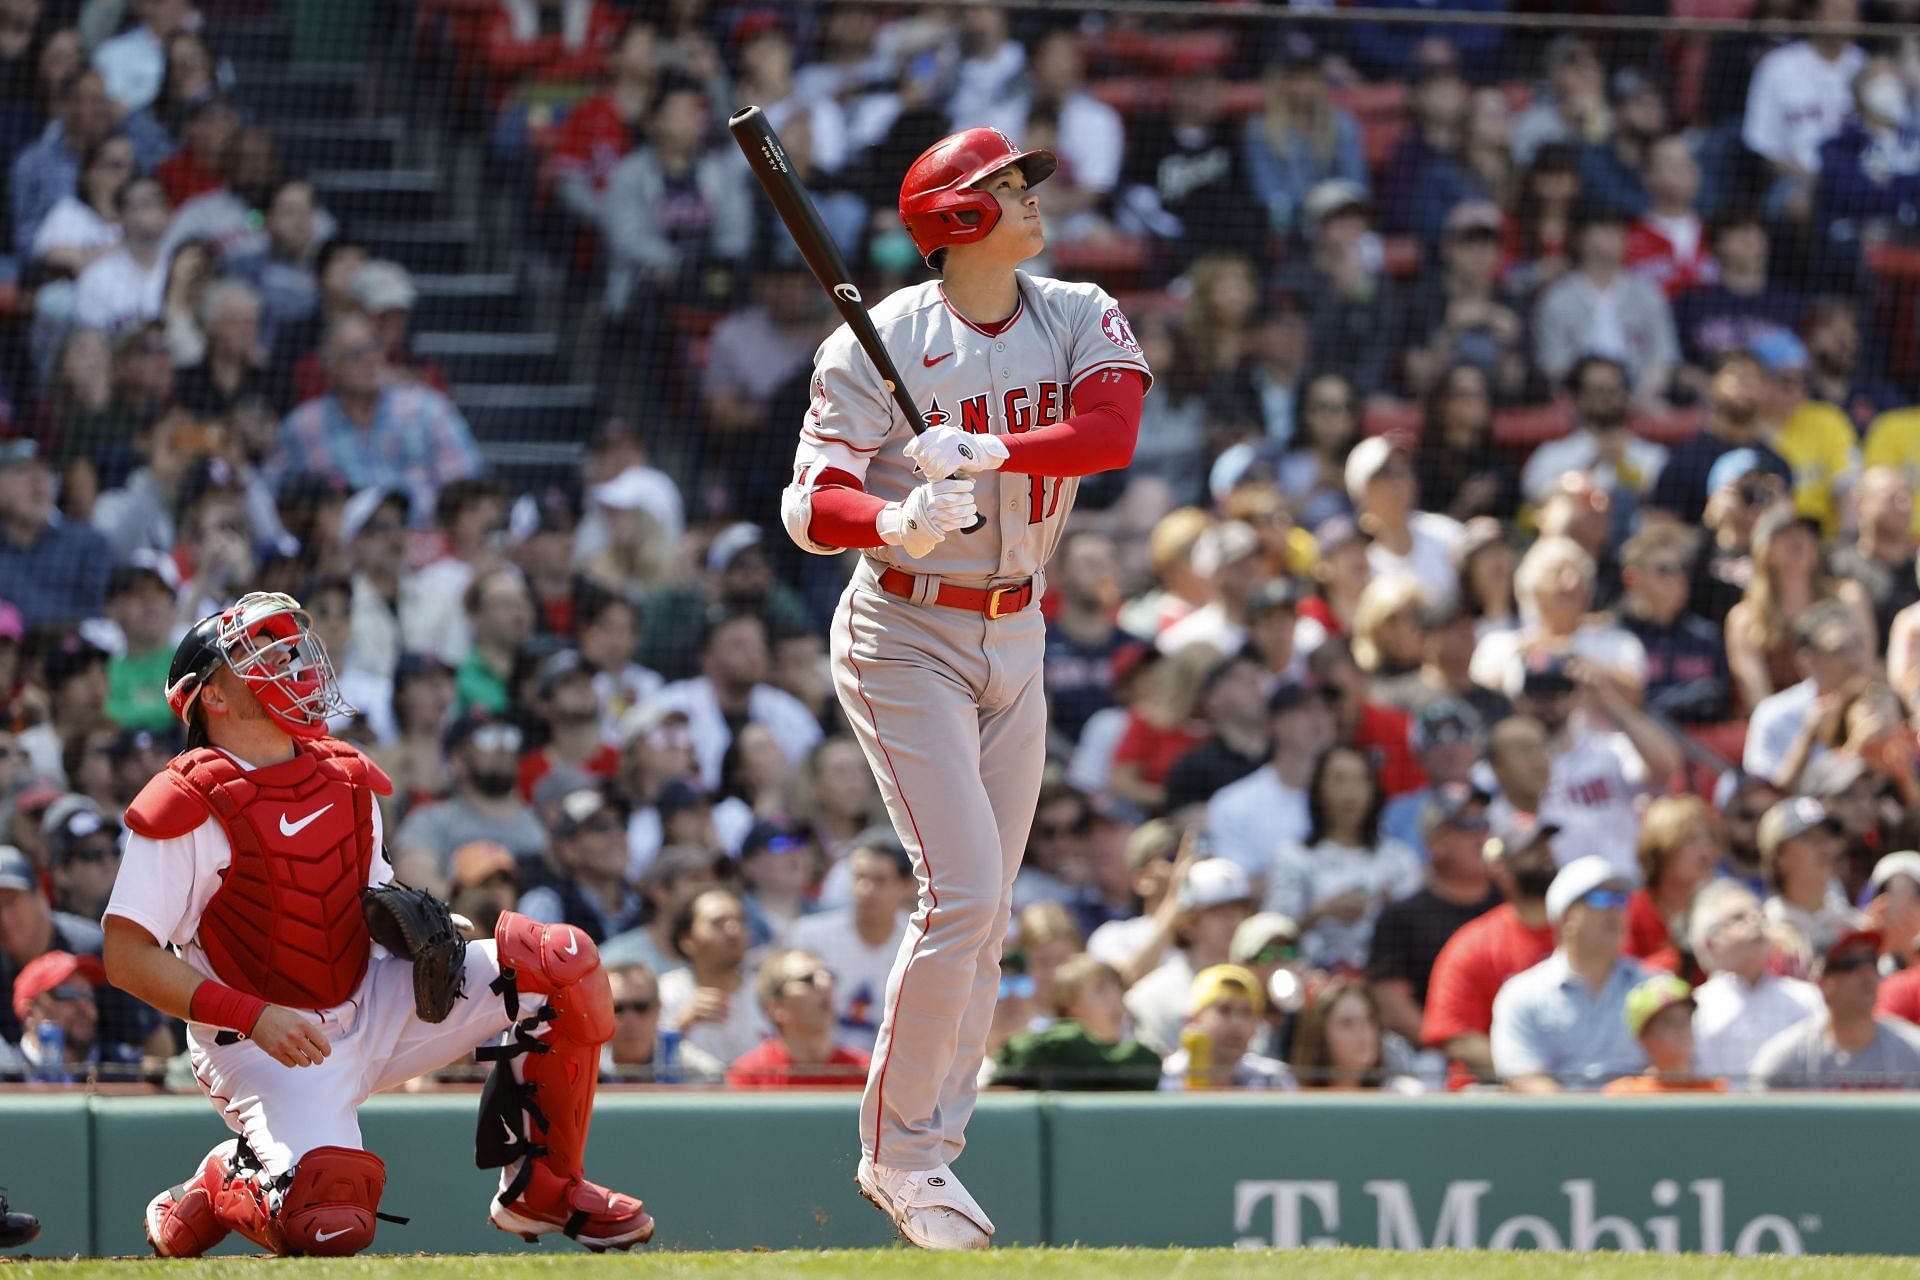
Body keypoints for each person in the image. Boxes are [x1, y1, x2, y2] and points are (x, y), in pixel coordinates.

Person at [776, 126, 1151, 1251]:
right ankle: (898, 1154)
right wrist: (893, 516)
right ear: (954, 219)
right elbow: (809, 504)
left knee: (984, 921)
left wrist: (990, 455)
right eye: (1002, 186)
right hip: (905, 627)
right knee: (965, 892)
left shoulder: (1078, 310)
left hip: (1019, 626)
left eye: (1022, 181)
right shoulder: (879, 340)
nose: (1028, 196)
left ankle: (937, 1146)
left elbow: (1111, 434)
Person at [104, 592, 654, 1256]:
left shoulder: (345, 774)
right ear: (211, 697)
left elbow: (361, 897)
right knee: (329, 1222)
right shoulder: (185, 799)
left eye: (288, 645)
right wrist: (253, 1016)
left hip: (376, 1000)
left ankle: (545, 1188)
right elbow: (127, 956)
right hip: (264, 1040)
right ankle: (226, 1180)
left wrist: (424, 925)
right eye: (257, 653)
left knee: (560, 961)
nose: (288, 659)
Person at [1490, 856, 1647, 1091]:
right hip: (1553, 1126)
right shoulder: (1521, 994)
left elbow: (1674, 1067)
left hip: (1640, 1124)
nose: (1615, 910)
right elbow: (1524, 1078)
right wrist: (1585, 1123)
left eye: (1620, 899)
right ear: (1566, 917)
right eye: (1601, 899)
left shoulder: (1655, 986)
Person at [1265, 744, 1423, 973]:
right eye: (1339, 779)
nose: (1351, 791)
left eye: (1361, 780)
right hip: (1309, 982)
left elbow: (1422, 937)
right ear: (1318, 789)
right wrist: (1318, 913)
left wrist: (1393, 913)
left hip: (1384, 979)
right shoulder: (1294, 857)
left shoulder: (1399, 858)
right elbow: (1270, 942)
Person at [1368, 782, 1502, 1044]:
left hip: (1519, 1054)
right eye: (1466, 824)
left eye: (1483, 822)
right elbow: (1391, 1003)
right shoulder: (1401, 916)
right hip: (1434, 1064)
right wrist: (1450, 1049)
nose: (1481, 835)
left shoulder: (1511, 902)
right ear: (1435, 842)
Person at [1533, 202, 1678, 408]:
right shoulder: (1557, 298)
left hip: (1640, 401)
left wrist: (1639, 397)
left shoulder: (1648, 294)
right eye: (1604, 228)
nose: (1615, 236)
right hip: (1575, 405)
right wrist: (1589, 398)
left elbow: (1662, 358)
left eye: (1619, 230)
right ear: (1580, 238)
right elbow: (1552, 364)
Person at [785, 831, 914, 1055]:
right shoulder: (810, 936)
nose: (866, 890)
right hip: (820, 1067)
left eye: (880, 880)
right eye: (859, 878)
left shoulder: (919, 943)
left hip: (893, 1072)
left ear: (907, 886)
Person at [390, 712, 546, 891]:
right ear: (457, 760)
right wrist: (473, 909)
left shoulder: (540, 820)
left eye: (509, 735)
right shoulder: (430, 820)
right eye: (486, 738)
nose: (502, 746)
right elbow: (414, 878)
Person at [1688, 880, 1823, 1084]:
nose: (1755, 922)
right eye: (1738, 918)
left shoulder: (1807, 998)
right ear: (1710, 941)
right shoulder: (1695, 1009)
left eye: (1760, 915)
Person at [1754, 928, 1920, 1089]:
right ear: (1822, 982)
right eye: (1850, 963)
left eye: (1872, 961)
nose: (1866, 972)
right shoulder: (1787, 1059)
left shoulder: (1913, 1050)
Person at [1204, 682, 1336, 884]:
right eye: (1305, 709)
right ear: (1274, 724)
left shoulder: (1353, 797)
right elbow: (1236, 887)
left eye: (1326, 709)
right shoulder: (1232, 804)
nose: (1319, 720)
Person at [1745, 600, 1873, 785]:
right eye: (1839, 650)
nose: (1855, 660)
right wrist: (1808, 739)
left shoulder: (1888, 707)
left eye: (1858, 646)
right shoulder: (1774, 715)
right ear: (1807, 661)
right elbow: (1765, 799)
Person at [990, 953, 1161, 1091]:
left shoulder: (1142, 1052)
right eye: (1100, 990)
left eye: (1117, 988)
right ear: (1069, 1006)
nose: (1114, 999)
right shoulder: (1044, 1051)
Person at [1618, 525, 1732, 723]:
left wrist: (1663, 706)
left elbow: (1719, 698)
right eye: (1664, 570)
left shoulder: (1705, 637)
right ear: (1632, 578)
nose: (1677, 579)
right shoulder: (1616, 637)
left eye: (1683, 569)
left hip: (1698, 743)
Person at [726, 949, 872, 1089]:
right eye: (807, 979)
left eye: (829, 976)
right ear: (775, 1008)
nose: (825, 984)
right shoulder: (748, 1077)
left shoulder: (868, 1072)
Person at [656, 885, 769, 1066]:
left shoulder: (767, 992)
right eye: (718, 923)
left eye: (739, 920)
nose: (733, 930)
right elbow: (645, 1060)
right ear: (687, 941)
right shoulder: (665, 993)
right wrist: (681, 1024)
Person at [1158, 963, 1294, 1091]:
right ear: (1193, 1019)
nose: (1237, 1024)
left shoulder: (1274, 1081)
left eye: (1247, 1013)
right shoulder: (1161, 1078)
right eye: (1224, 1010)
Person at [1625, 796, 1722, 961]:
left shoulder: (1721, 907)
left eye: (1710, 839)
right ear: (1661, 850)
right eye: (1690, 841)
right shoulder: (1632, 912)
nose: (1706, 852)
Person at [1759, 797, 1860, 954]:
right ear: (1777, 857)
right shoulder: (1765, 930)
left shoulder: (1852, 922)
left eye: (1828, 836)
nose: (1824, 846)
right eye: (1808, 837)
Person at [1603, 975, 1725, 1094]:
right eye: (1668, 1022)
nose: (1681, 1028)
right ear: (1643, 1037)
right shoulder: (1624, 1094)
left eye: (1685, 1018)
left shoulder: (1717, 1091)